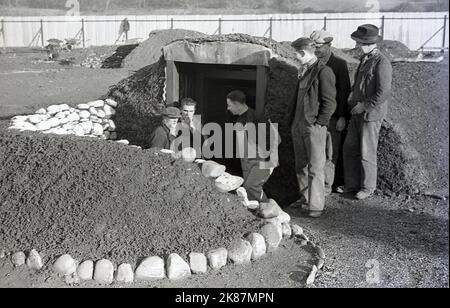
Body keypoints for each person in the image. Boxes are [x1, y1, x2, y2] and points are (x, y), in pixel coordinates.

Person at [339, 24, 393, 200]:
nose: (358, 46)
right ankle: (351, 184)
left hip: (370, 114)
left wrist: (364, 106)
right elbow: (360, 84)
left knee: (366, 151)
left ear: (370, 44)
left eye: (361, 43)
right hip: (356, 112)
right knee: (349, 148)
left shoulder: (382, 62)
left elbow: (383, 92)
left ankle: (367, 187)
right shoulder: (365, 59)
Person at [287, 38, 336, 218]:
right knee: (301, 165)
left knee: (315, 166)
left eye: (295, 53)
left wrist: (319, 123)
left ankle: (316, 206)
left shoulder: (324, 71)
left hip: (313, 126)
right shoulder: (303, 70)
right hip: (298, 124)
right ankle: (306, 198)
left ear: (303, 53)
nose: (294, 56)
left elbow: (330, 102)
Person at [310, 30, 352, 194]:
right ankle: (314, 188)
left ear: (328, 46)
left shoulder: (339, 64)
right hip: (316, 117)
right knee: (315, 155)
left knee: (329, 155)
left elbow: (344, 92)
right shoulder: (313, 63)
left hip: (333, 118)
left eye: (319, 46)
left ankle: (326, 188)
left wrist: (342, 116)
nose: (316, 49)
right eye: (314, 46)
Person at [226, 90, 279, 202]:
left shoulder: (257, 117)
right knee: (250, 190)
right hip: (248, 162)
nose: (228, 108)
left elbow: (276, 138)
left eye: (229, 105)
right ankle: (262, 213)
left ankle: (267, 210)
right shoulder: (241, 118)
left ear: (237, 104)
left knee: (251, 187)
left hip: (262, 161)